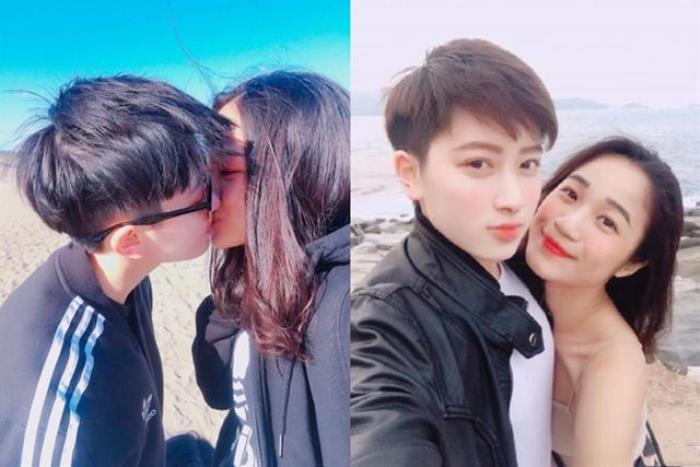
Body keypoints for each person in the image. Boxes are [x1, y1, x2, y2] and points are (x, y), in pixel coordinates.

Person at [351, 38, 558, 466]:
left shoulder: (524, 262)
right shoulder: (387, 321)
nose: (513, 199)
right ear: (411, 173)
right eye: (478, 164)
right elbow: (379, 426)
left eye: (527, 164)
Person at [0, 76, 227, 466]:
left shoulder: (122, 278)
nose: (218, 198)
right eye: (202, 193)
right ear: (130, 241)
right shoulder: (65, 400)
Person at [192, 70, 350, 467]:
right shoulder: (262, 278)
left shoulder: (342, 309)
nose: (206, 194)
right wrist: (232, 288)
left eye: (226, 171)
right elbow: (219, 392)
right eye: (205, 170)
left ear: (295, 173)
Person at [521, 137, 683, 466]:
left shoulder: (613, 364)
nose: (567, 224)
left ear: (632, 263)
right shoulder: (503, 285)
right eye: (571, 194)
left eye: (607, 222)